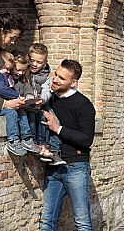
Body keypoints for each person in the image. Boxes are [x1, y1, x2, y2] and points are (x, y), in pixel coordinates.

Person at [40, 59, 96, 231]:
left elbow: (87, 139)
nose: (55, 79)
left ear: (73, 83)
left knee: (82, 222)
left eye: (61, 78)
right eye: (55, 74)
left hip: (76, 167)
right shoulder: (50, 100)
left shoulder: (84, 104)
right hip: (53, 167)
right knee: (47, 221)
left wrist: (57, 128)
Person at [0, 51, 41, 156]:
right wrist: (17, 96)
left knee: (21, 111)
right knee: (11, 114)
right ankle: (13, 141)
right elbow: (3, 90)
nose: (8, 71)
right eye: (7, 68)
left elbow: (24, 87)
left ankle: (27, 138)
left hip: (2, 104)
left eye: (9, 69)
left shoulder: (5, 76)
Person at [24, 43, 66, 165]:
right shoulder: (23, 70)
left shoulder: (45, 74)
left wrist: (42, 99)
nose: (34, 64)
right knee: (34, 116)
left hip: (41, 102)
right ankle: (37, 143)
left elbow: (46, 89)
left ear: (45, 62)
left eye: (39, 62)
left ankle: (53, 149)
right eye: (32, 60)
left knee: (52, 118)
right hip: (28, 103)